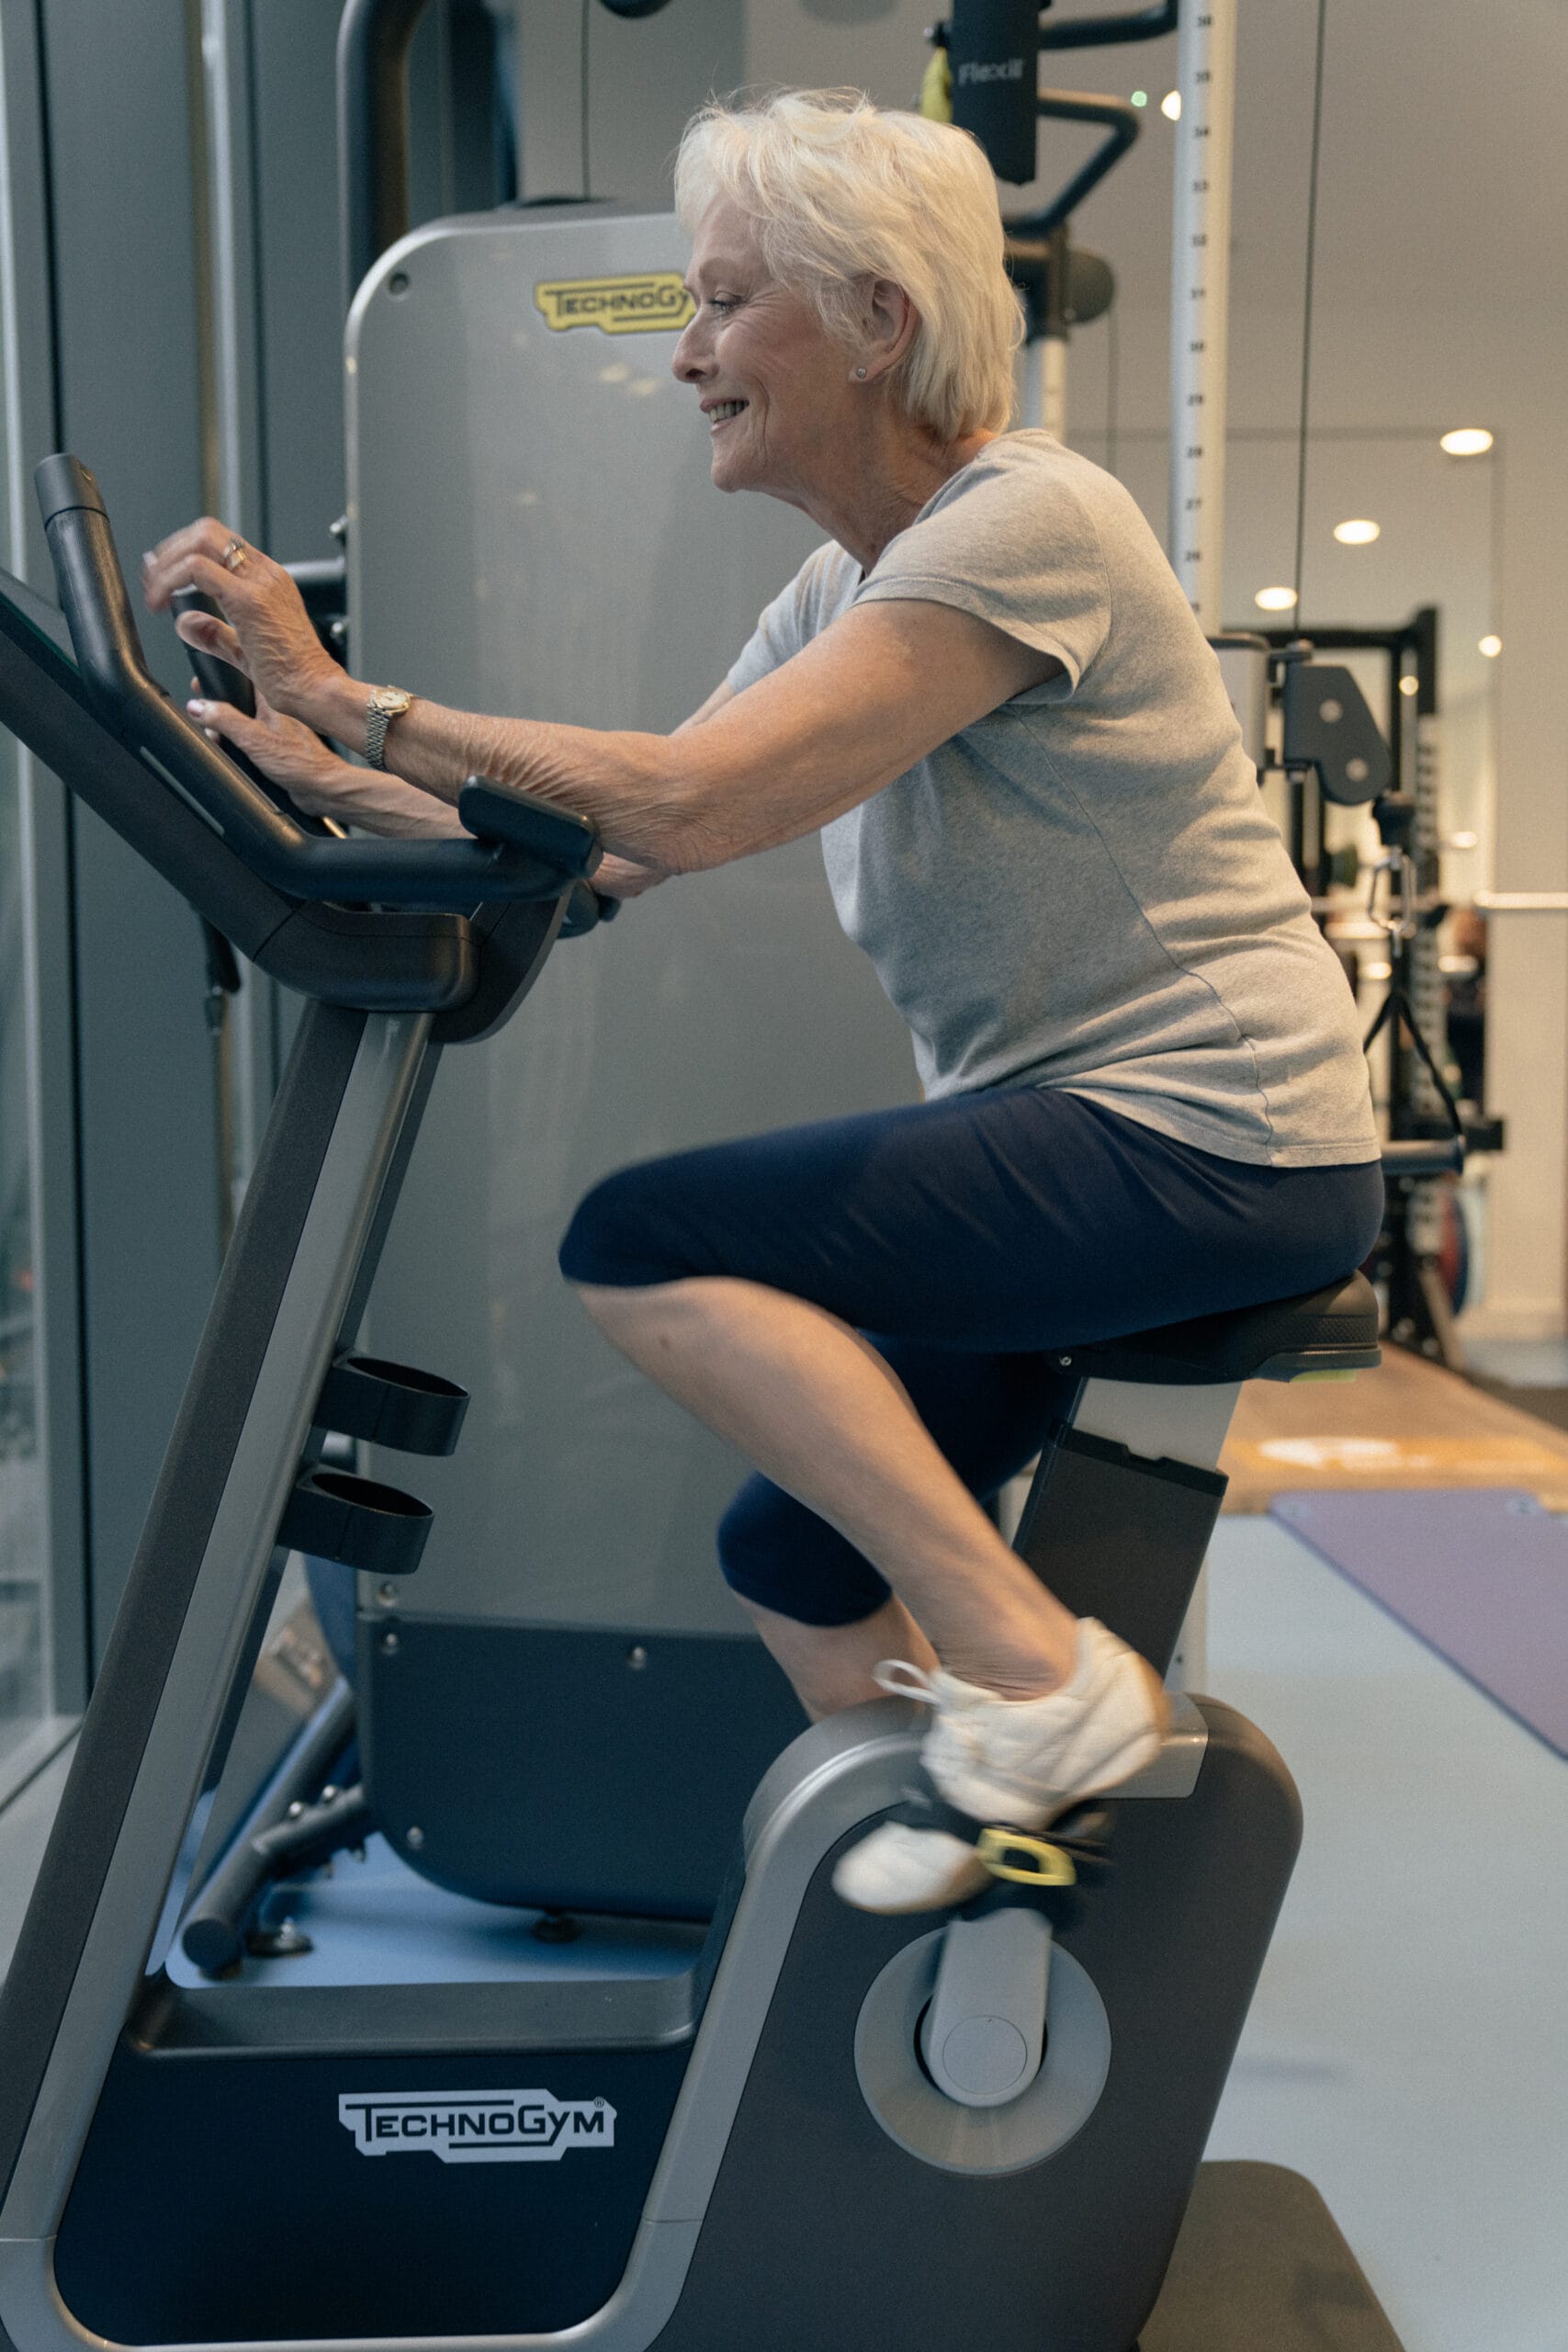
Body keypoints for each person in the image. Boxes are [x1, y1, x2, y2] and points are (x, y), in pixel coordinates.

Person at [142, 88, 1383, 1916]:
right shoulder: (845, 583)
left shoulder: (1025, 521)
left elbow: (686, 799)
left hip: (1213, 1137)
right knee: (789, 1553)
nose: (688, 358)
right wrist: (283, 759)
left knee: (644, 1241)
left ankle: (1038, 1692)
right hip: (1098, 1135)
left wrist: (347, 695)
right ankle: (990, 1896)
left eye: (722, 305)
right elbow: (604, 842)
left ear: (879, 320)